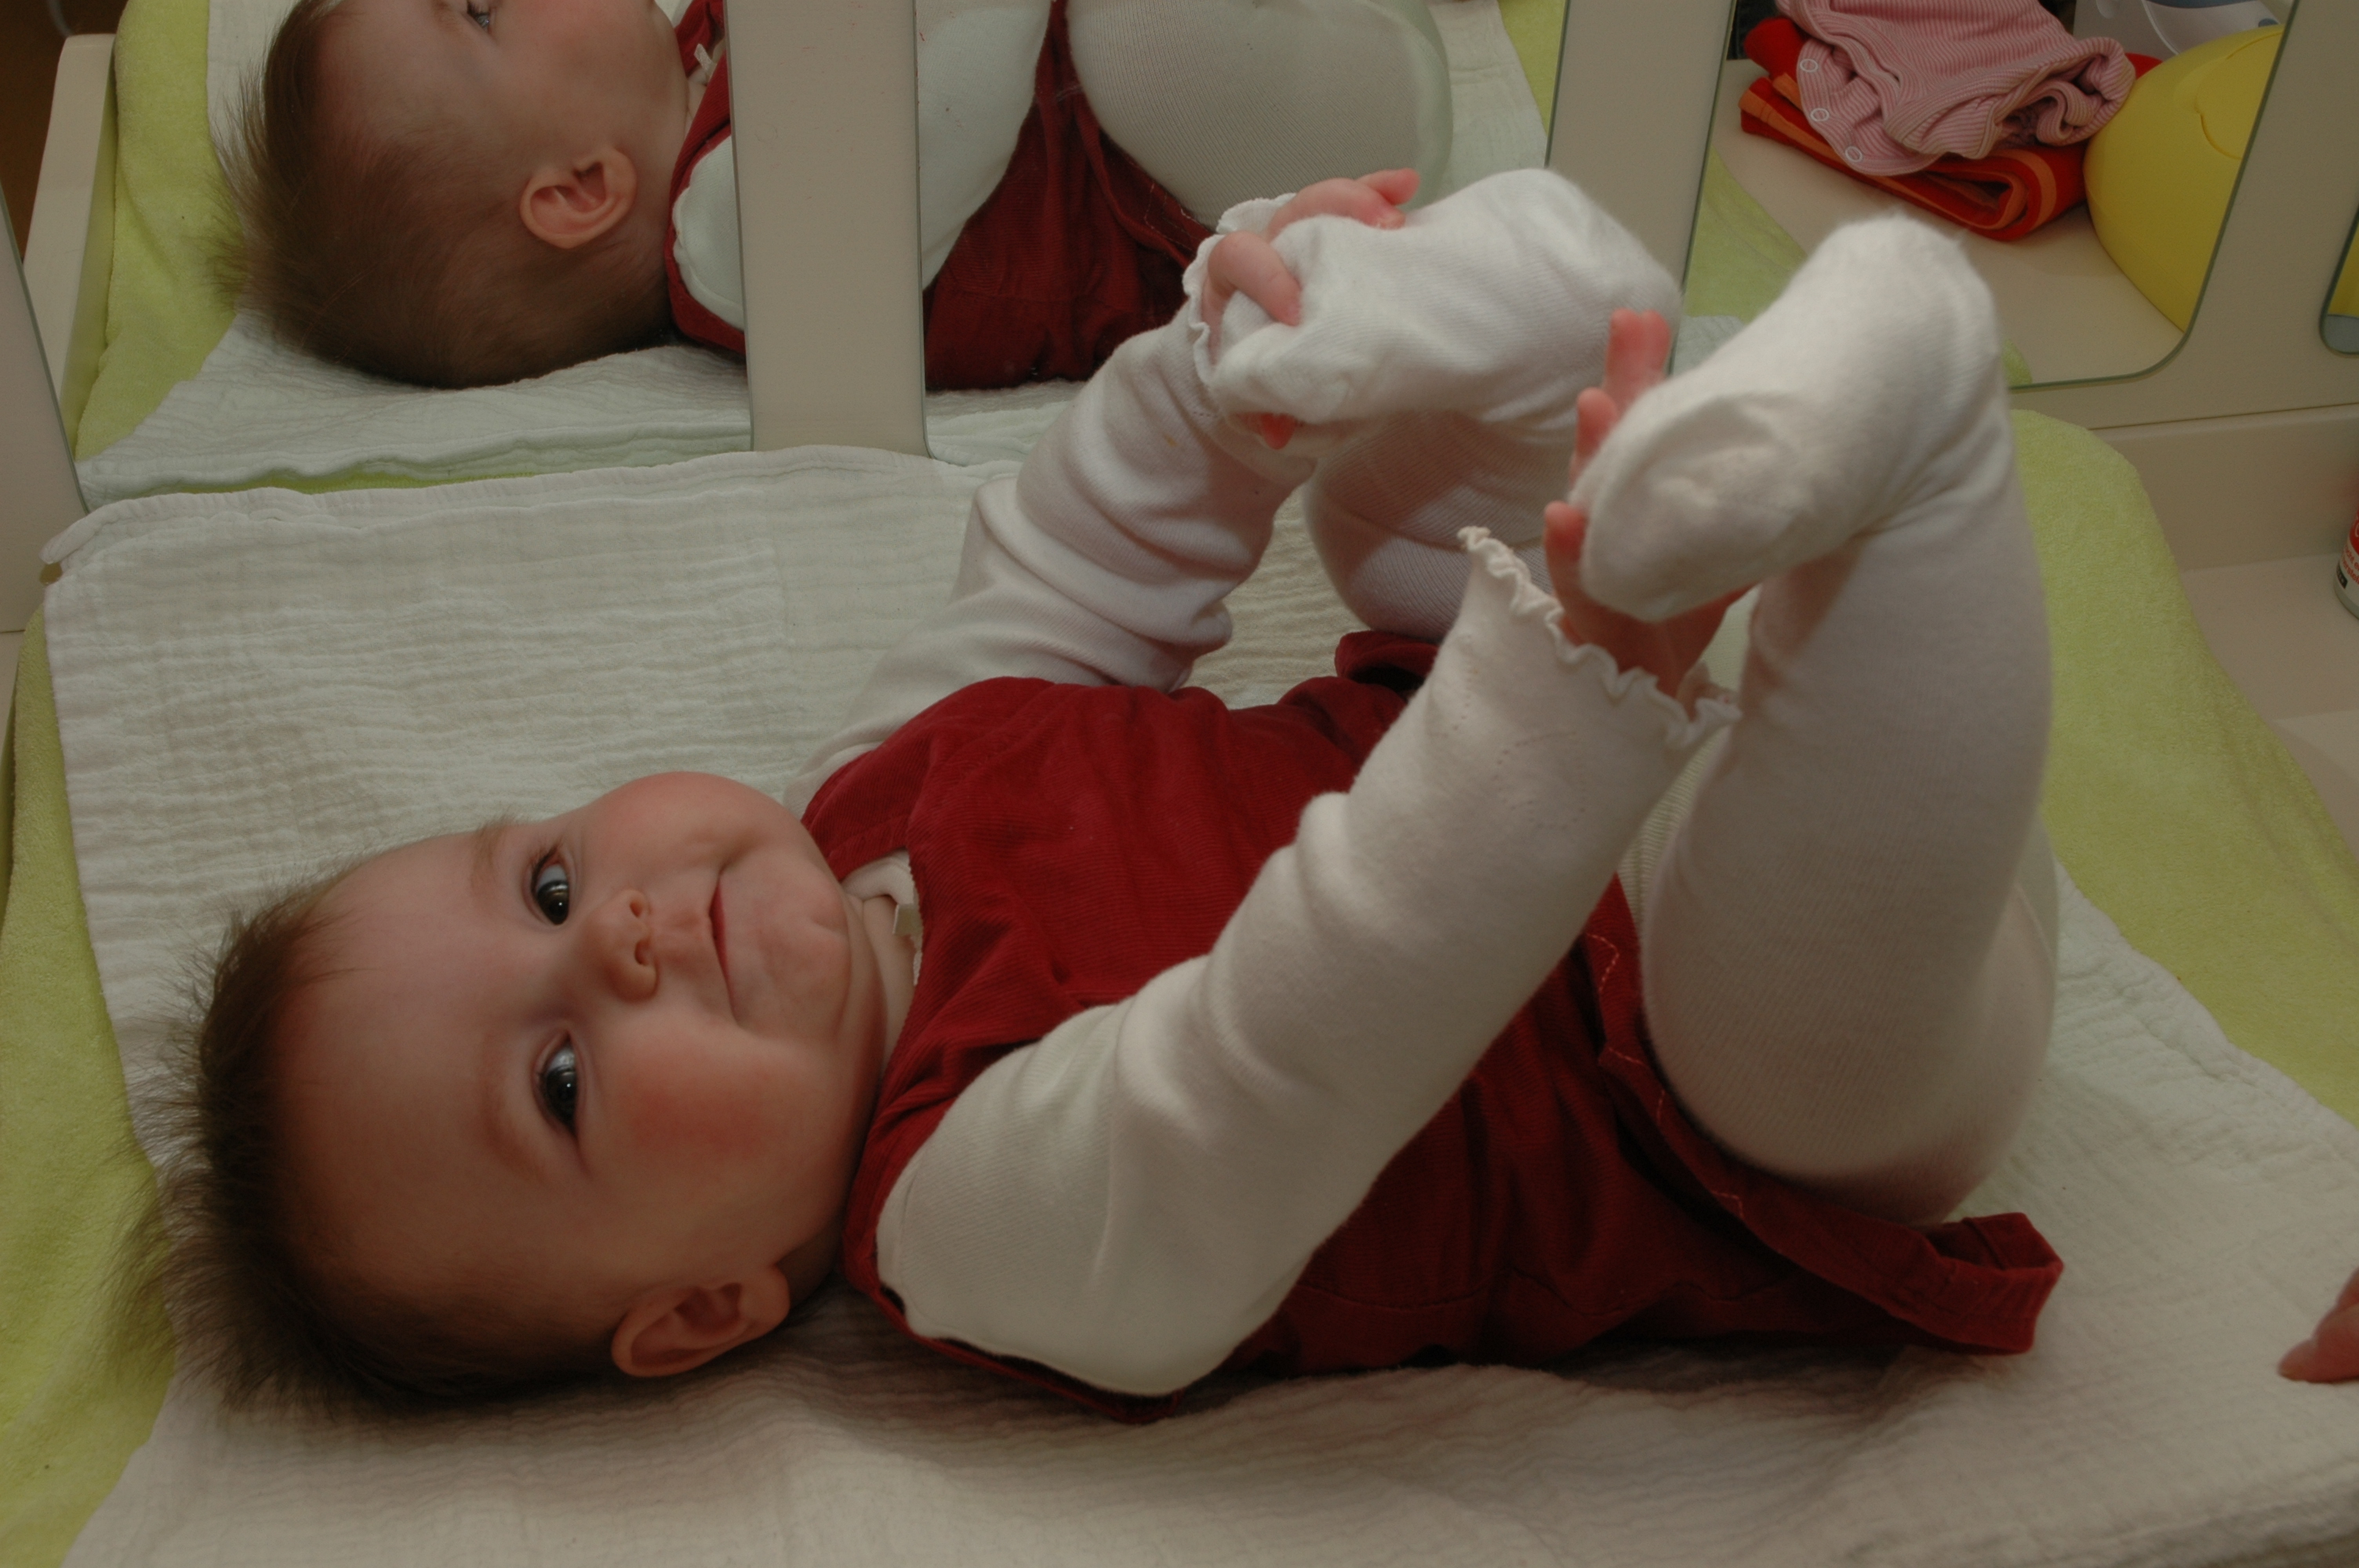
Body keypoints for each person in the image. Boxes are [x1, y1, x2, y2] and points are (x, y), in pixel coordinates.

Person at [173, 168, 2076, 1417]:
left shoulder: (871, 787)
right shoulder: (970, 1229)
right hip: (1735, 1091)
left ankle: (1561, 343)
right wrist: (1566, 694)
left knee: (1373, 501)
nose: (629, 939)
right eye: (560, 1081)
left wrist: (1228, 367)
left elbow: (1079, 564)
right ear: (702, 1308)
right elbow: (1285, 1050)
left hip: (1627, 716)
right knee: (1762, 1025)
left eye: (550, 886)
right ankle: (1903, 400)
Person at [227, 0, 1449, 389]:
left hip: (1285, 81)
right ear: (581, 192)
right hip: (1214, 205)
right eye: (482, 9)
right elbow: (953, 103)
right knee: (1135, 41)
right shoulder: (735, 248)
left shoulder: (708, 47)